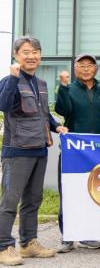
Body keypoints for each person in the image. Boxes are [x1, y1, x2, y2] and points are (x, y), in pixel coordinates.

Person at [0, 37, 63, 265]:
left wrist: (57, 126)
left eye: (35, 51)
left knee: (33, 200)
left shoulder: (41, 83)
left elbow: (43, 114)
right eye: (26, 52)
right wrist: (12, 78)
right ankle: (3, 246)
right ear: (16, 55)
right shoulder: (9, 80)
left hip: (39, 149)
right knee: (10, 201)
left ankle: (28, 244)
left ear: (40, 55)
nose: (31, 56)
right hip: (17, 150)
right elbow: (3, 105)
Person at [54, 53, 100, 253]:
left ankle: (87, 234)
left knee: (92, 191)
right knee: (69, 192)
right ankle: (67, 236)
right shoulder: (69, 88)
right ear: (75, 69)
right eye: (81, 65)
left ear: (96, 69)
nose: (86, 69)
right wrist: (63, 86)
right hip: (73, 150)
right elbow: (63, 110)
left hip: (98, 150)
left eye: (90, 65)